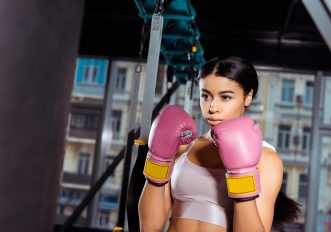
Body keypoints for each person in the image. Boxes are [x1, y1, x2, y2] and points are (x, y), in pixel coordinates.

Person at [138, 56, 300, 232]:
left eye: (225, 97)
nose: (212, 107)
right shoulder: (184, 147)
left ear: (248, 97)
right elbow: (149, 227)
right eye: (205, 96)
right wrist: (158, 158)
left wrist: (242, 173)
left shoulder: (266, 159)